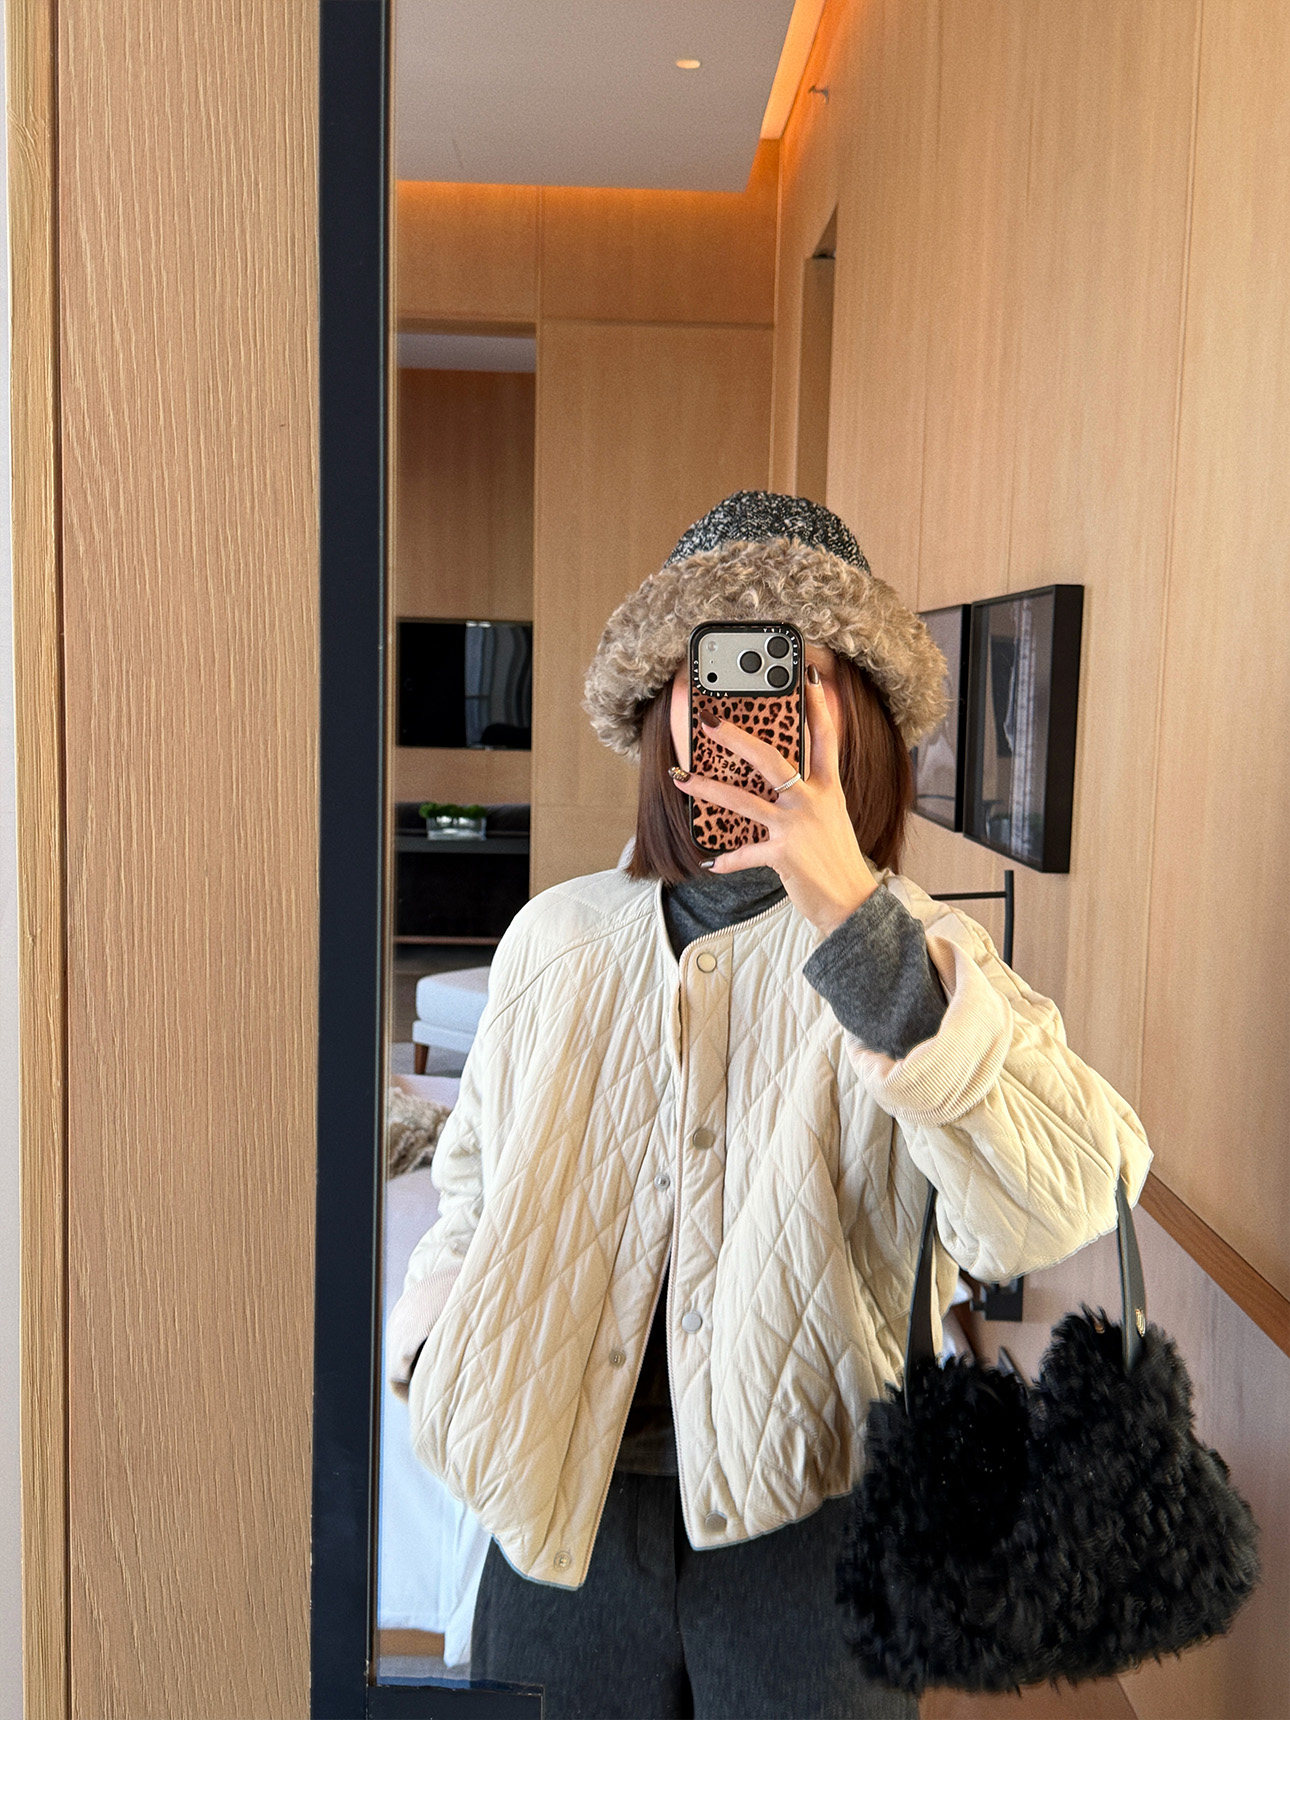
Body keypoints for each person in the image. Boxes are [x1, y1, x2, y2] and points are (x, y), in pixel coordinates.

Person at [386, 492, 1153, 1719]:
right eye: (712, 669)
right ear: (662, 709)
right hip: (558, 1515)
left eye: (791, 669)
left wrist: (855, 918)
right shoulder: (553, 938)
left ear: (862, 715)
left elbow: (1069, 1195)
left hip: (815, 1530)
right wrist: (435, 1349)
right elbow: (472, 1187)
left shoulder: (921, 953)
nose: (745, 706)